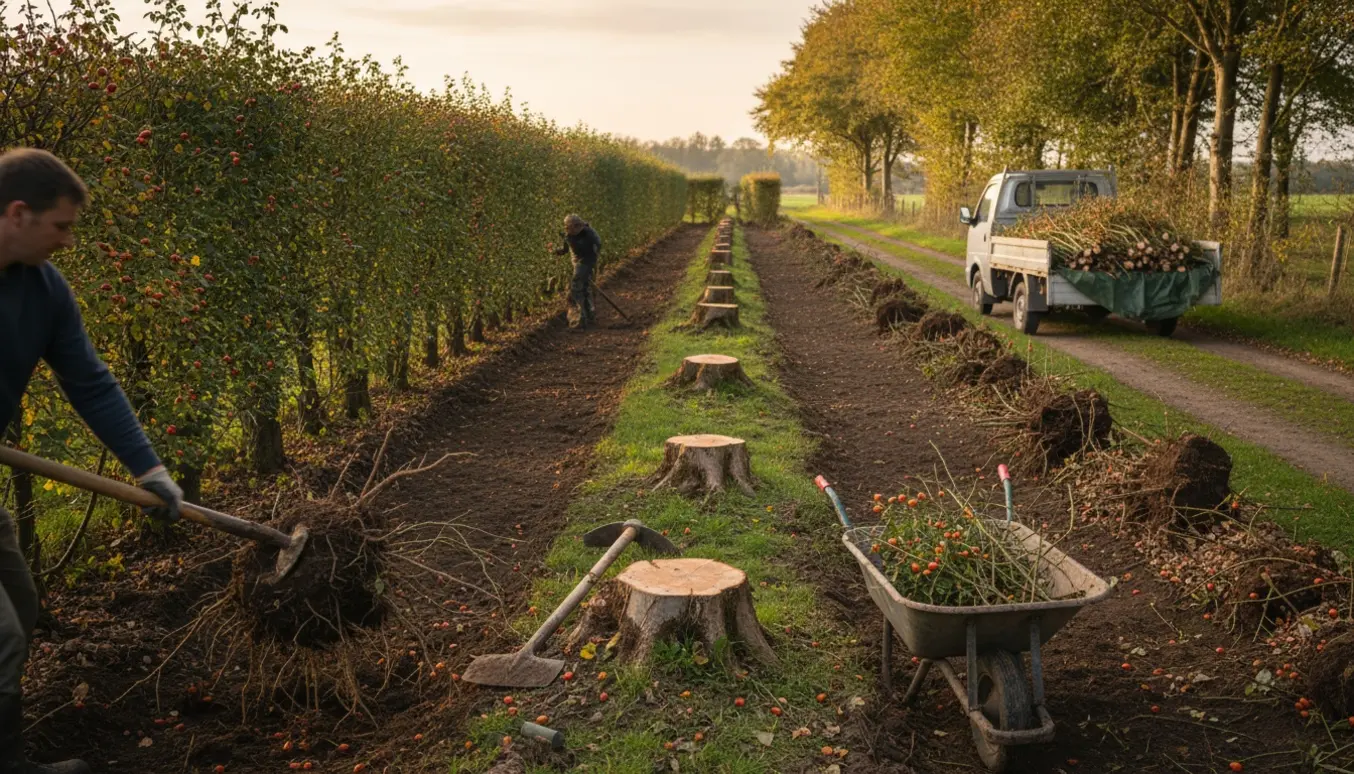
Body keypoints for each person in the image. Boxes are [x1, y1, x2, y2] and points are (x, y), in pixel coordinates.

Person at [0, 148, 184, 774]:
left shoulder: (43, 289)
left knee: (20, 610)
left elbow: (91, 383)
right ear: (18, 213)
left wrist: (148, 468)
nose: (68, 241)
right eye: (62, 226)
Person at [553, 214, 602, 330]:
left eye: (570, 227)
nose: (568, 230)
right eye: (567, 228)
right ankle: (589, 316)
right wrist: (554, 251)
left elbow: (597, 246)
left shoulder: (589, 233)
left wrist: (588, 267)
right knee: (584, 289)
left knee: (575, 289)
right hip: (578, 264)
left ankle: (579, 319)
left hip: (587, 262)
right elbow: (564, 250)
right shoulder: (568, 236)